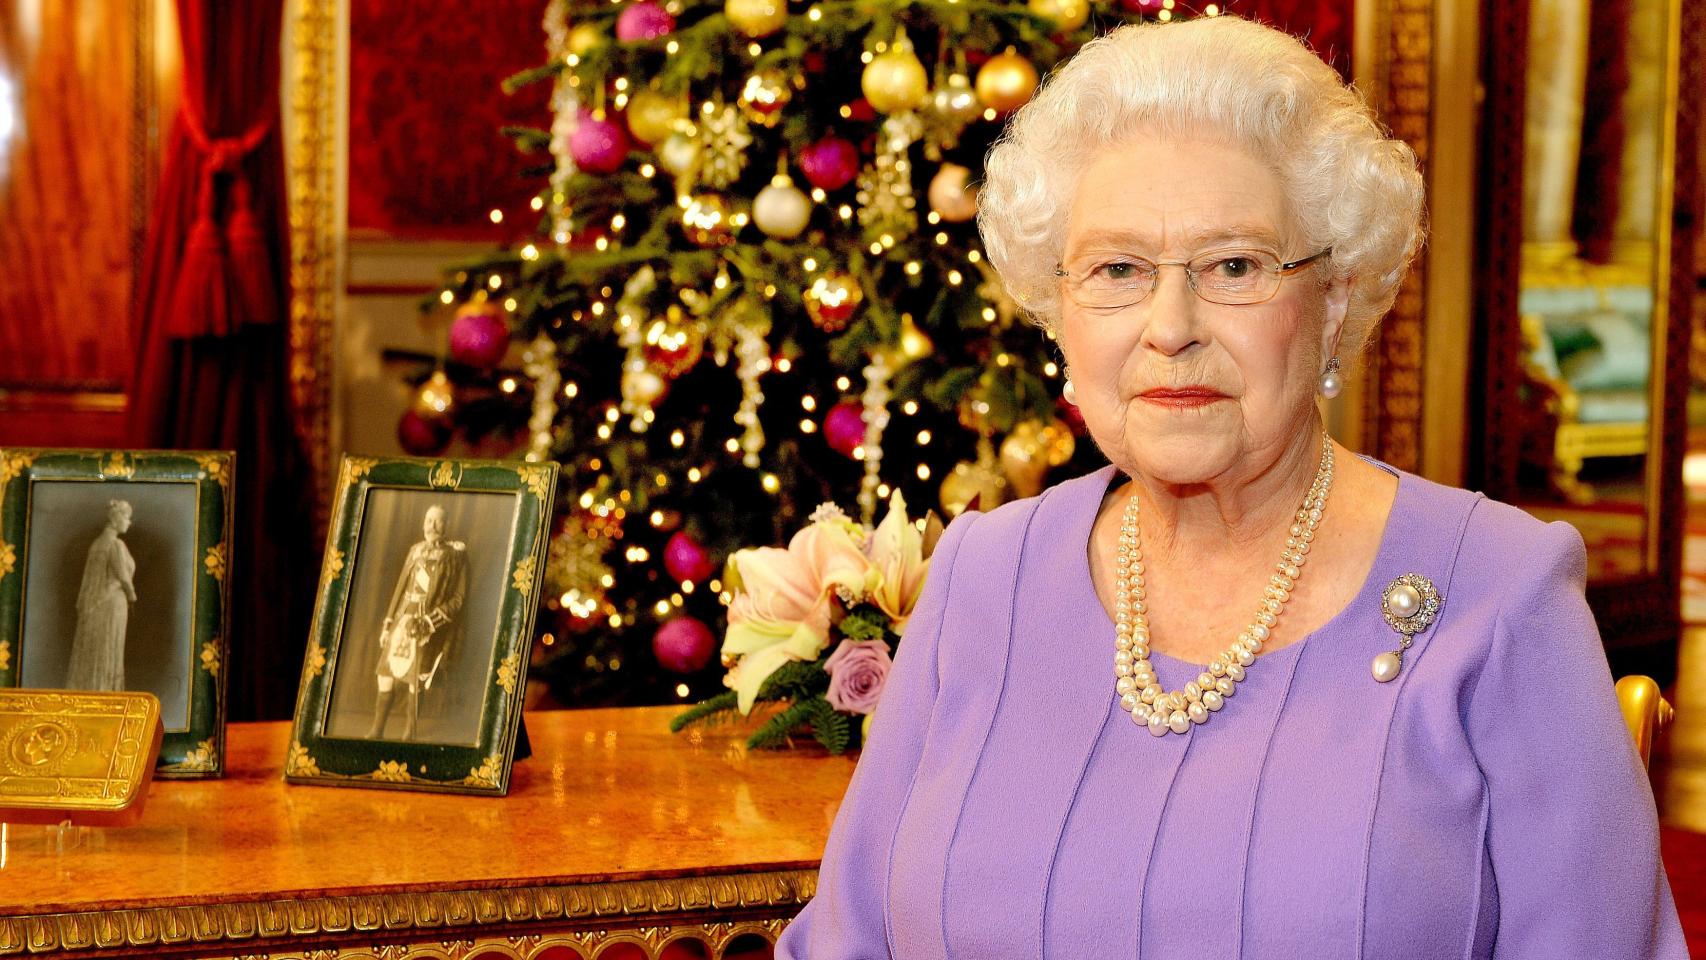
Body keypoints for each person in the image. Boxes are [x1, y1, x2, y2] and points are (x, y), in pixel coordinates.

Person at [778, 16, 1686, 959]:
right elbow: (848, 940)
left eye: (1234, 267)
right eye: (1118, 269)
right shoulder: (979, 578)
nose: (1171, 325)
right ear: (1058, 311)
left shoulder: (1502, 596)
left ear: (1332, 301)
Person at [368, 504, 467, 740]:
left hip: (428, 626)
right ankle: (376, 731)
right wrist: (388, 623)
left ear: (447, 525)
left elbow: (459, 598)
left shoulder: (455, 556)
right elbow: (401, 588)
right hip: (403, 621)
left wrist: (430, 622)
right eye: (427, 520)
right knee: (385, 674)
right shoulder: (415, 551)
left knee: (416, 680)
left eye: (437, 521)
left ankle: (409, 734)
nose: (431, 526)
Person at [63, 499, 137, 692]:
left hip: (95, 605)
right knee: (108, 648)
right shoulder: (115, 545)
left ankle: (97, 689)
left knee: (97, 648)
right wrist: (132, 596)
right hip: (112, 604)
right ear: (117, 519)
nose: (129, 522)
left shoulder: (96, 544)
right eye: (127, 517)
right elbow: (123, 577)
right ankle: (106, 691)